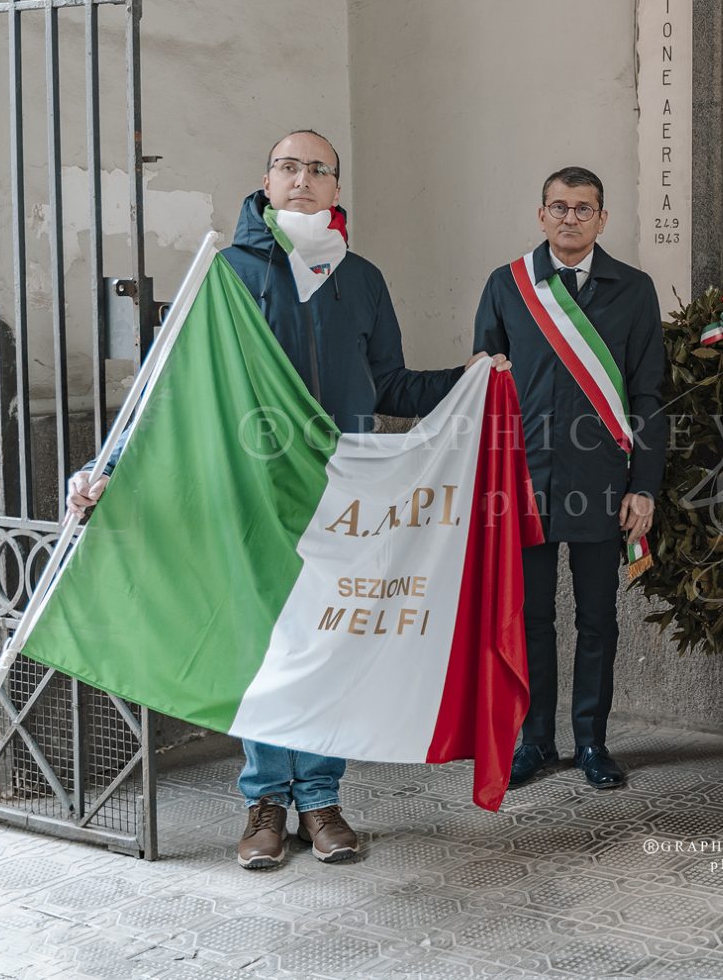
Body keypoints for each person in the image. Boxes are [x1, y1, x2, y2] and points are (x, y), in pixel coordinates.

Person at [68, 128, 496, 871]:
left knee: (330, 641)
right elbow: (167, 385)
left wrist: (469, 379)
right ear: (266, 180)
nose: (302, 178)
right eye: (288, 166)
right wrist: (105, 465)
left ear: (336, 189)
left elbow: (387, 383)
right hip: (254, 489)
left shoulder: (359, 278)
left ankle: (322, 800)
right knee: (268, 645)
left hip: (341, 493)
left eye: (317, 169)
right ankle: (266, 801)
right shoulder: (226, 272)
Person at [473, 167, 664, 790]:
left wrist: (645, 485)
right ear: (541, 214)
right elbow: (485, 383)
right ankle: (535, 741)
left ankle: (591, 742)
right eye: (559, 207)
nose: (570, 218)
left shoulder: (633, 289)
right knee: (529, 619)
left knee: (597, 619)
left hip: (602, 482)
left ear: (602, 219)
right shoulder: (507, 286)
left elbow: (649, 394)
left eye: (583, 209)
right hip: (522, 481)